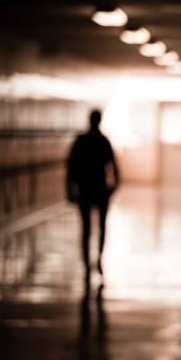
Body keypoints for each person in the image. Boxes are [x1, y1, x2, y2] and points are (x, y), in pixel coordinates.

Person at [66, 110, 119, 282]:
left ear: (89, 120)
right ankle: (99, 259)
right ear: (100, 121)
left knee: (86, 228)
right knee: (102, 226)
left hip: (85, 189)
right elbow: (115, 168)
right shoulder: (104, 141)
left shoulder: (80, 141)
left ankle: (87, 264)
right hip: (101, 189)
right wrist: (113, 187)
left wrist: (69, 189)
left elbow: (71, 167)